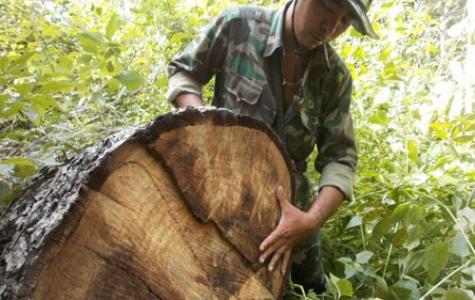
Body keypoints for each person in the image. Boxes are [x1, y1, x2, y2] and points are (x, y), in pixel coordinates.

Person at [166, 0, 378, 294]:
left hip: (292, 211)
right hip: (222, 189)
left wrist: (309, 221)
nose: (330, 27)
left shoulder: (334, 77)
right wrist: (206, 129)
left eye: (344, 21)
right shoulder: (238, 24)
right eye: (327, 8)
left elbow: (340, 159)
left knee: (309, 291)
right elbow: (184, 73)